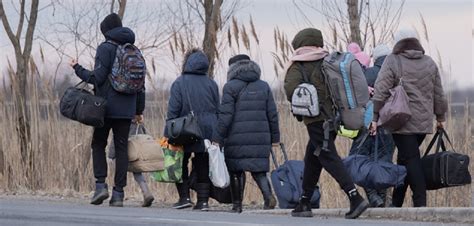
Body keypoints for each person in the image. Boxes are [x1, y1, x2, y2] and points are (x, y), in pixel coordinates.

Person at [284, 28, 369, 219]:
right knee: (313, 158)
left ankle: (354, 197)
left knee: (329, 158)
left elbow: (290, 90)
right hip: (333, 119)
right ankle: (304, 201)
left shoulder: (300, 66)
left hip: (316, 120)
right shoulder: (327, 61)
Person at [69, 13, 146, 207]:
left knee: (98, 144)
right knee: (121, 150)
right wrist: (138, 110)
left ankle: (100, 186)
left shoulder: (105, 48)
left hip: (105, 108)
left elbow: (97, 78)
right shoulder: (134, 50)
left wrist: (77, 68)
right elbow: (140, 85)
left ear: (106, 31)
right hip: (127, 109)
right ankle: (118, 194)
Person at [370, 28, 448, 207]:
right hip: (423, 122)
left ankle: (420, 204)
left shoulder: (393, 60)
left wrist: (375, 116)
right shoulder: (430, 62)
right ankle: (396, 203)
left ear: (398, 42)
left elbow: (380, 90)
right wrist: (440, 117)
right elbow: (439, 94)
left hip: (400, 120)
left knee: (411, 159)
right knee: (405, 159)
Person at [213, 54, 280, 213]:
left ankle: (237, 205)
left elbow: (225, 115)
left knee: (236, 170)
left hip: (236, 137)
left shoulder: (230, 87)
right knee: (259, 169)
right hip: (261, 137)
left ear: (232, 69)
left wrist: (218, 137)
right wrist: (275, 138)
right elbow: (272, 114)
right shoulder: (263, 86)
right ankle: (268, 196)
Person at [165, 48, 219, 211]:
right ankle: (203, 201)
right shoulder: (211, 83)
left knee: (180, 161)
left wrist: (168, 132)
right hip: (208, 130)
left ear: (186, 63)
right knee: (202, 162)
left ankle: (184, 197)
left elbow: (173, 110)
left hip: (185, 129)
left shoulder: (179, 82)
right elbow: (218, 108)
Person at [349, 44, 395, 208]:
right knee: (383, 160)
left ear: (374, 58)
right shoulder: (395, 74)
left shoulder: (366, 75)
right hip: (390, 124)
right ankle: (381, 197)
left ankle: (371, 194)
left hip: (367, 124)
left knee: (360, 159)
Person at [108, 122, 154, 207]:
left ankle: (117, 196)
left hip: (124, 151)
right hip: (137, 152)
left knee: (118, 171)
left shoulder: (122, 122)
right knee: (137, 173)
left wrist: (111, 154)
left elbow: (115, 139)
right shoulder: (139, 124)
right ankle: (146, 192)